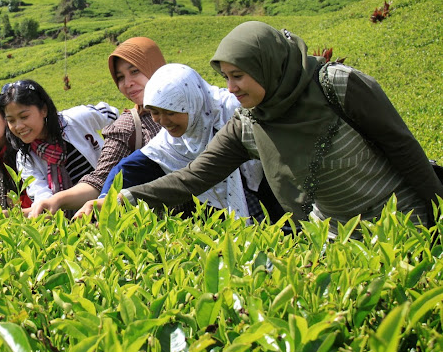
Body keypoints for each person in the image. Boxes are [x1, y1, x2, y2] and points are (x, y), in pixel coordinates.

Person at [78, 21, 443, 230]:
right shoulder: (248, 122)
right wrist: (120, 199)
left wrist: (439, 214)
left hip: (403, 222)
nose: (231, 88)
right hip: (336, 238)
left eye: (238, 76)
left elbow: (404, 149)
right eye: (226, 77)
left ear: (269, 65)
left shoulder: (339, 86)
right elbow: (193, 177)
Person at [97, 63, 265, 219]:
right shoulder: (170, 141)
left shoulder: (233, 112)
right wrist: (106, 200)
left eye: (171, 112)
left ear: (192, 103)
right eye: (154, 112)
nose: (163, 121)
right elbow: (129, 169)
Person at [26, 37, 165, 217]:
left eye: (135, 71)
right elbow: (100, 178)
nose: (127, 83)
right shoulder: (127, 125)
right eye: (120, 77)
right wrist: (57, 200)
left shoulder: (198, 105)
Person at [1, 80, 119, 211]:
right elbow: (44, 200)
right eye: (11, 120)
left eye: (24, 117)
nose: (18, 126)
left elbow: (113, 114)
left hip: (114, 196)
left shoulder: (76, 119)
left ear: (44, 110)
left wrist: (116, 145)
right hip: (78, 219)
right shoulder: (26, 158)